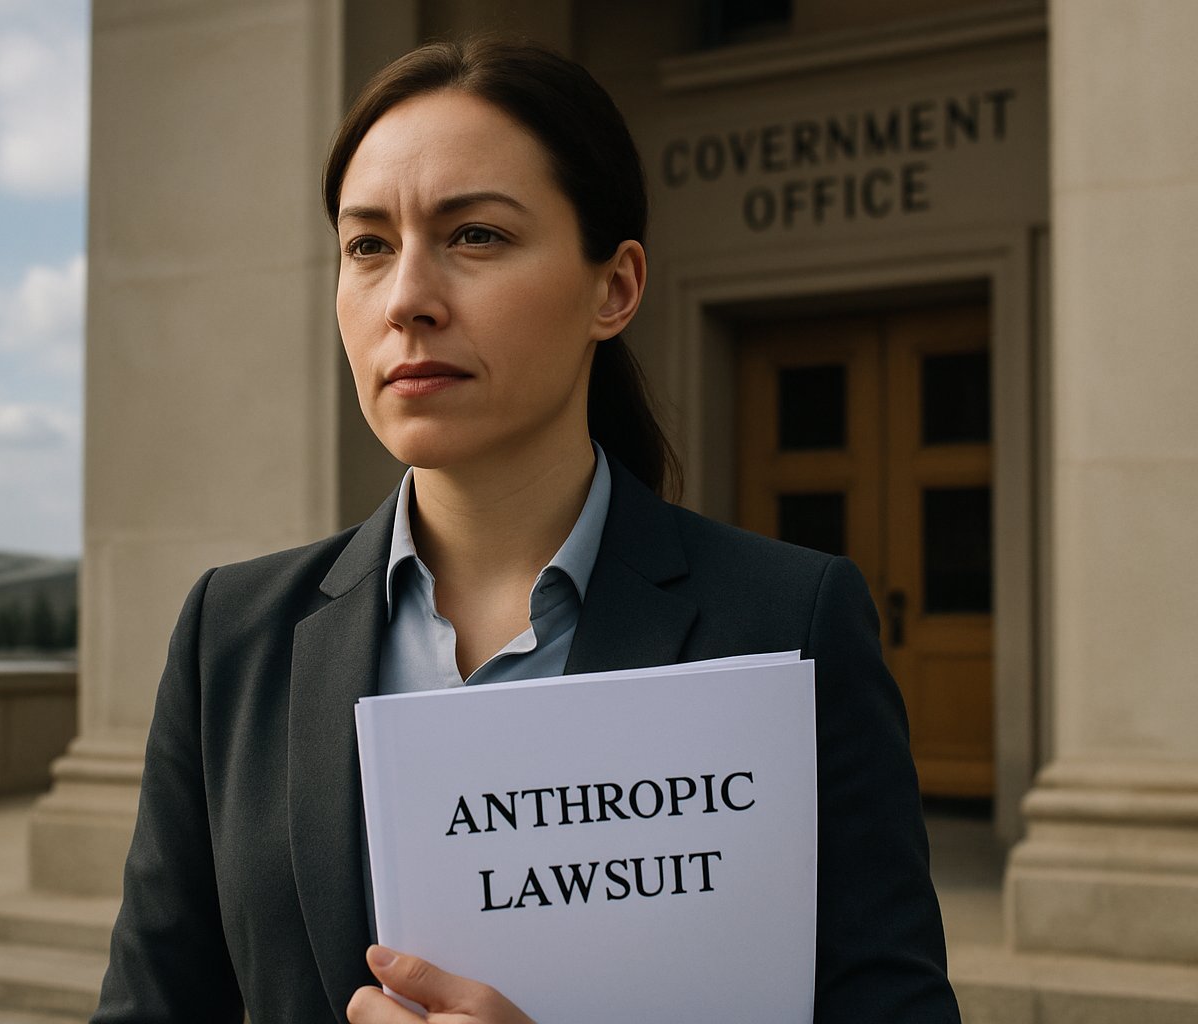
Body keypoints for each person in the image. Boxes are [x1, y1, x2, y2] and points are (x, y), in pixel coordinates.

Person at [92, 38, 959, 1024]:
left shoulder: (791, 621)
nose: (407, 299)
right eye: (368, 245)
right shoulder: (231, 634)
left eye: (476, 237)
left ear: (614, 288)